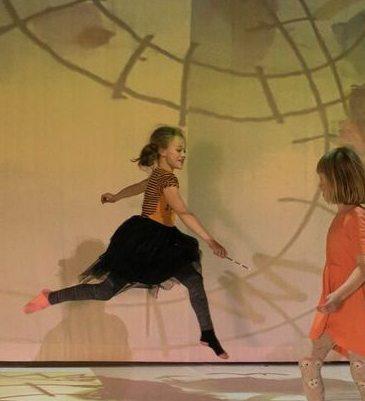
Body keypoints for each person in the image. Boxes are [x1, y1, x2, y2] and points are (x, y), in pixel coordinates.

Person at [23, 126, 230, 359]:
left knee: (193, 280)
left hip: (161, 239)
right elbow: (183, 212)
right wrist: (211, 241)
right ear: (163, 151)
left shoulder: (158, 175)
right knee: (105, 291)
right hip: (147, 242)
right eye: (179, 149)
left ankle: (207, 333)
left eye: (184, 150)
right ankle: (50, 297)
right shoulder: (167, 178)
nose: (183, 155)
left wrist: (116, 196)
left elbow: (138, 187)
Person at [291, 146, 365, 401]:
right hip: (336, 305)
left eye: (323, 179)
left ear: (339, 180)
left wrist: (338, 295)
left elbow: (364, 267)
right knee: (309, 360)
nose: (320, 186)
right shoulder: (342, 216)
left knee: (361, 372)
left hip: (353, 305)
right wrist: (332, 297)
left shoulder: (357, 216)